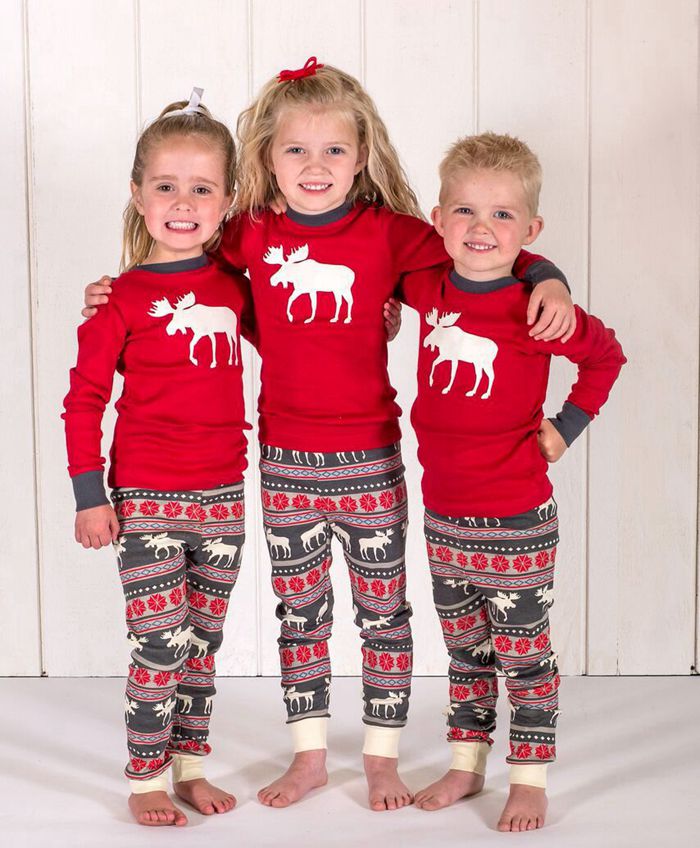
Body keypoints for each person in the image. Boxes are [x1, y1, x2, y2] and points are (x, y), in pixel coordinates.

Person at [81, 58, 575, 812]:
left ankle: (381, 757)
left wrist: (548, 275)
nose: (315, 166)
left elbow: (482, 249)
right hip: (283, 463)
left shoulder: (392, 234)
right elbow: (185, 268)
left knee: (384, 614)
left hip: (371, 458)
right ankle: (309, 754)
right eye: (296, 150)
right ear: (268, 158)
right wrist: (113, 293)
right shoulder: (249, 232)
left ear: (362, 155)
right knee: (300, 613)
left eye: (334, 150)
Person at [398, 132, 625, 831]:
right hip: (444, 516)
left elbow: (607, 356)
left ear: (531, 230)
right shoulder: (428, 285)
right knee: (465, 654)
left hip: (517, 518)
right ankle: (467, 765)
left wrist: (566, 426)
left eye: (502, 215)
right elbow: (373, 260)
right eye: (465, 211)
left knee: (523, 657)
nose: (481, 227)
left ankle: (528, 778)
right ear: (439, 221)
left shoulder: (538, 309)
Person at [63, 90, 251, 827]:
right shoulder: (120, 299)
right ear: (138, 195)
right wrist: (90, 495)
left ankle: (190, 768)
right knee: (160, 643)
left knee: (202, 644)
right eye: (166, 186)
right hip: (146, 499)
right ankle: (145, 776)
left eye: (202, 189)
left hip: (223, 495)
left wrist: (379, 319)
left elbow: (302, 344)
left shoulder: (235, 290)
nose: (183, 202)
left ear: (227, 201)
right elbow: (84, 400)